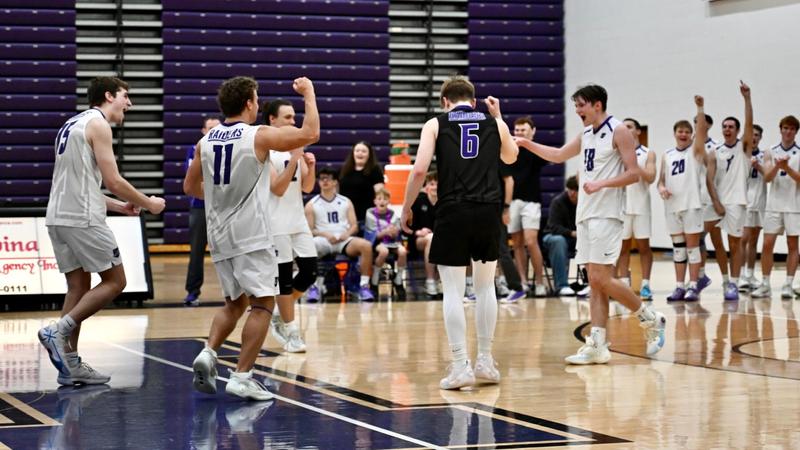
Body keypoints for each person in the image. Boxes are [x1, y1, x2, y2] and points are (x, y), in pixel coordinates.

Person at [184, 75, 320, 401]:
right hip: (252, 235)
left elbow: (190, 188)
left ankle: (209, 353)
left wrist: (222, 198)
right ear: (248, 103)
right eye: (257, 99)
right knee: (262, 305)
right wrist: (309, 94)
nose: (258, 104)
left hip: (219, 236)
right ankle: (242, 376)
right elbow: (309, 134)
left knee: (234, 303)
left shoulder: (206, 141)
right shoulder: (256, 135)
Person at [515, 84, 666, 365]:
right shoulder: (586, 133)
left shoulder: (619, 130)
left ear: (597, 105)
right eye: (576, 105)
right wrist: (526, 144)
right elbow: (559, 154)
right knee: (594, 284)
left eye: (581, 105)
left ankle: (650, 318)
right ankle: (598, 345)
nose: (577, 110)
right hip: (585, 214)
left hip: (607, 213)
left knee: (601, 279)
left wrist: (601, 183)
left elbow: (634, 174)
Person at [39, 76, 166, 386]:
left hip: (58, 216)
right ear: (109, 96)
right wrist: (148, 203)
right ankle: (59, 330)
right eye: (125, 96)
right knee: (116, 280)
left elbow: (81, 184)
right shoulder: (99, 125)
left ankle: (70, 363)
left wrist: (119, 207)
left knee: (78, 287)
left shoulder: (72, 124)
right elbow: (115, 181)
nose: (130, 104)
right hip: (83, 218)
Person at [400, 75, 518, 389]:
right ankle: (486, 361)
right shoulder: (495, 122)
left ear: (444, 101)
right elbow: (511, 156)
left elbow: (420, 170)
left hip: (453, 209)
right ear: (474, 100)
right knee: (485, 287)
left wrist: (406, 207)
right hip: (488, 209)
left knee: (453, 290)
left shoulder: (435, 124)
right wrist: (499, 119)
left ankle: (459, 365)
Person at [263, 99, 318, 353]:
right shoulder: (266, 152)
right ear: (272, 120)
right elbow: (278, 187)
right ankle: (292, 331)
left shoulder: (294, 149)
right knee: (283, 281)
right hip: (276, 224)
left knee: (309, 272)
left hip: (297, 221)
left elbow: (307, 187)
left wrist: (311, 166)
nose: (293, 122)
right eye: (287, 117)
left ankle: (279, 311)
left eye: (294, 117)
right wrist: (296, 159)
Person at [704, 81, 755, 301]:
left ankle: (733, 284)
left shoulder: (744, 147)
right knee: (697, 237)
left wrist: (747, 99)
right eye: (724, 126)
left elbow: (750, 123)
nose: (727, 129)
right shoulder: (714, 151)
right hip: (717, 202)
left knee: (735, 243)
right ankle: (704, 278)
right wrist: (715, 201)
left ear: (737, 130)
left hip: (736, 201)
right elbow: (709, 178)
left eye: (731, 127)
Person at [658, 105, 707, 302]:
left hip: (691, 205)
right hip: (672, 206)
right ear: (675, 133)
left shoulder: (695, 151)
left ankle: (693, 286)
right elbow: (660, 180)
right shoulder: (667, 154)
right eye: (680, 131)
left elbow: (702, 132)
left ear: (692, 135)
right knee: (678, 249)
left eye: (687, 132)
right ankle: (679, 286)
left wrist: (700, 108)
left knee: (693, 248)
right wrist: (661, 188)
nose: (684, 134)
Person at [305, 167, 375, 301]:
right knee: (308, 245)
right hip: (323, 240)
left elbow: (354, 225)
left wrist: (346, 234)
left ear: (335, 182)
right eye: (321, 178)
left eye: (328, 178)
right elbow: (310, 230)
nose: (324, 181)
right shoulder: (311, 204)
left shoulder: (345, 201)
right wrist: (325, 234)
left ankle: (364, 286)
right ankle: (314, 287)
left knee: (366, 245)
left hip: (343, 239)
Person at [751, 115, 800, 299]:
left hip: (794, 205)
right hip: (774, 205)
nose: (788, 131)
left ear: (796, 132)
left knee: (793, 245)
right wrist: (778, 166)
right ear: (780, 129)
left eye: (792, 129)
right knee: (767, 244)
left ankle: (788, 284)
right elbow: (768, 178)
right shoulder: (770, 150)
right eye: (785, 128)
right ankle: (765, 284)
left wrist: (786, 168)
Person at [506, 116, 548, 297]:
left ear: (532, 131)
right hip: (513, 201)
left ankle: (539, 282)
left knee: (531, 241)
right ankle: (522, 281)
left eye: (523, 130)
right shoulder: (510, 150)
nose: (519, 133)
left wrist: (528, 143)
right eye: (517, 130)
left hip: (532, 201)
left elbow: (549, 157)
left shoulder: (536, 150)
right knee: (517, 244)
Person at [617, 118, 656, 300]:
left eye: (629, 126)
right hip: (622, 206)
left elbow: (650, 177)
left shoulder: (648, 153)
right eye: (623, 126)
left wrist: (634, 163)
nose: (626, 129)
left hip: (641, 205)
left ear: (638, 131)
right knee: (622, 248)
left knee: (644, 247)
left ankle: (646, 284)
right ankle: (624, 284)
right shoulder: (617, 152)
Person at [184, 116, 221, 306]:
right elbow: (195, 180)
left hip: (223, 207)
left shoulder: (224, 150)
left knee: (229, 250)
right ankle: (192, 292)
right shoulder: (194, 149)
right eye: (210, 128)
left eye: (217, 128)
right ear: (203, 131)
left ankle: (235, 293)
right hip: (200, 207)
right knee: (196, 252)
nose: (213, 131)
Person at [365, 188, 407, 299]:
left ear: (388, 201)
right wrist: (385, 232)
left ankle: (398, 279)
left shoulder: (392, 213)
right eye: (379, 199)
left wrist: (394, 231)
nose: (382, 201)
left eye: (385, 199)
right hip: (377, 242)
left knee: (403, 251)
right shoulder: (369, 213)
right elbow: (372, 233)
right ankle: (374, 279)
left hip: (392, 241)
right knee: (383, 252)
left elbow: (396, 229)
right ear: (375, 201)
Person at [541, 176, 579, 296]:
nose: (572, 193)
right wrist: (572, 233)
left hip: (575, 239)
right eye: (570, 189)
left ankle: (592, 284)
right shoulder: (558, 202)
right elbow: (554, 227)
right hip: (551, 237)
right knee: (559, 240)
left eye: (576, 190)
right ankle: (562, 285)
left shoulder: (586, 203)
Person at [739, 124, 766, 291]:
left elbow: (769, 175)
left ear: (760, 138)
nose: (754, 138)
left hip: (761, 202)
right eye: (752, 135)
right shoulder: (741, 156)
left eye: (757, 135)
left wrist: (759, 167)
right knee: (744, 239)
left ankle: (750, 273)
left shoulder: (765, 156)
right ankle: (740, 274)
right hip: (745, 202)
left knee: (754, 240)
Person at [407, 171, 439, 296]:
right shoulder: (418, 201)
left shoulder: (445, 203)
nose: (435, 187)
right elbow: (407, 227)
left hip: (441, 240)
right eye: (432, 184)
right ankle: (430, 280)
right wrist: (418, 232)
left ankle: (441, 280)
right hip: (418, 240)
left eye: (438, 184)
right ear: (426, 187)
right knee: (431, 239)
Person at [338, 140, 385, 224]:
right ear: (353, 153)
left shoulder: (375, 170)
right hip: (345, 216)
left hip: (366, 217)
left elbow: (380, 194)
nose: (360, 153)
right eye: (357, 151)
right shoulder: (344, 169)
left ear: (369, 155)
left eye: (364, 151)